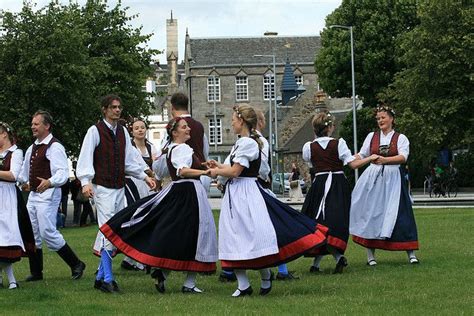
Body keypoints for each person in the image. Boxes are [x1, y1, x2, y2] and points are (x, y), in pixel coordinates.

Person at [208, 104, 327, 297]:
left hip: (245, 192)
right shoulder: (242, 142)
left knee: (252, 235)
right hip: (237, 193)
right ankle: (244, 284)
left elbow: (236, 171)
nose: (231, 122)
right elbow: (233, 167)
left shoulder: (248, 143)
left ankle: (262, 278)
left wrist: (215, 171)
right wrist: (219, 165)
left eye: (233, 119)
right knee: (234, 237)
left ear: (242, 121)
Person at [100, 117, 217, 294]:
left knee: (179, 234)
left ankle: (164, 272)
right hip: (190, 192)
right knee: (197, 234)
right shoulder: (182, 148)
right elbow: (182, 170)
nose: (188, 130)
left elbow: (161, 169)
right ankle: (188, 283)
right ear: (174, 132)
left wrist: (201, 164)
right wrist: (205, 171)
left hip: (179, 191)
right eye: (184, 128)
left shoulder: (170, 149)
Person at [76, 95, 156, 293]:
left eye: (119, 107)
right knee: (107, 230)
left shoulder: (121, 132)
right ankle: (107, 279)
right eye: (113, 107)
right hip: (102, 188)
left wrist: (144, 176)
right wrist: (85, 182)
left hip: (119, 187)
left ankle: (101, 276)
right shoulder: (95, 131)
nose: (117, 110)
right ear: (104, 109)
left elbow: (129, 160)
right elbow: (85, 157)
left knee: (118, 230)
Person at [301, 112, 377, 274]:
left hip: (319, 186)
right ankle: (336, 258)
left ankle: (317, 264)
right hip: (337, 185)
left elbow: (310, 162)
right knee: (334, 222)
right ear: (329, 128)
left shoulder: (309, 147)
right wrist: (370, 158)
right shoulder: (339, 144)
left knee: (318, 221)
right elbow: (353, 164)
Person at [18, 110, 86, 282]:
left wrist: (49, 182)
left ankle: (76, 263)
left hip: (49, 195)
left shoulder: (55, 147)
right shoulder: (32, 148)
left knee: (47, 231)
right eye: (32, 123)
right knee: (32, 232)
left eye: (36, 124)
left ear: (46, 126)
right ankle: (36, 272)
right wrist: (21, 182)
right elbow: (24, 173)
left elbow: (62, 173)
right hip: (34, 195)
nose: (32, 126)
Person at [350, 105, 419, 266]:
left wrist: (385, 160)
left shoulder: (401, 138)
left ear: (391, 119)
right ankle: (370, 256)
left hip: (394, 178)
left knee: (401, 213)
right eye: (378, 118)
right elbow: (362, 153)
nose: (380, 120)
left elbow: (403, 157)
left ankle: (411, 253)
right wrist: (352, 157)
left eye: (383, 117)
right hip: (374, 179)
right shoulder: (372, 137)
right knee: (371, 213)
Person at [0, 122, 35, 289]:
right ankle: (10, 280)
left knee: (7, 237)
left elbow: (13, 175)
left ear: (4, 134)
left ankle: (11, 280)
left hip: (8, 198)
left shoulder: (16, 152)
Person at [121, 118, 158, 271]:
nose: (140, 130)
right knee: (136, 218)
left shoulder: (151, 147)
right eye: (136, 128)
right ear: (132, 131)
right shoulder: (130, 147)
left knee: (146, 219)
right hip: (133, 184)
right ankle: (134, 258)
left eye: (142, 127)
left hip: (148, 185)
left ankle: (132, 259)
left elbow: (156, 165)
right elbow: (135, 167)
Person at [153, 92, 210, 191]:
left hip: (184, 182)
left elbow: (164, 159)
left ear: (172, 108)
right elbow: (204, 152)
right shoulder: (199, 126)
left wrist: (158, 177)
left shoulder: (174, 128)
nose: (188, 129)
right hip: (201, 178)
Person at [70, 161, 95, 227]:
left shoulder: (79, 172)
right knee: (79, 210)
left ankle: (82, 222)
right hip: (79, 196)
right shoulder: (77, 179)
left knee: (86, 209)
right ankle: (79, 222)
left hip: (81, 196)